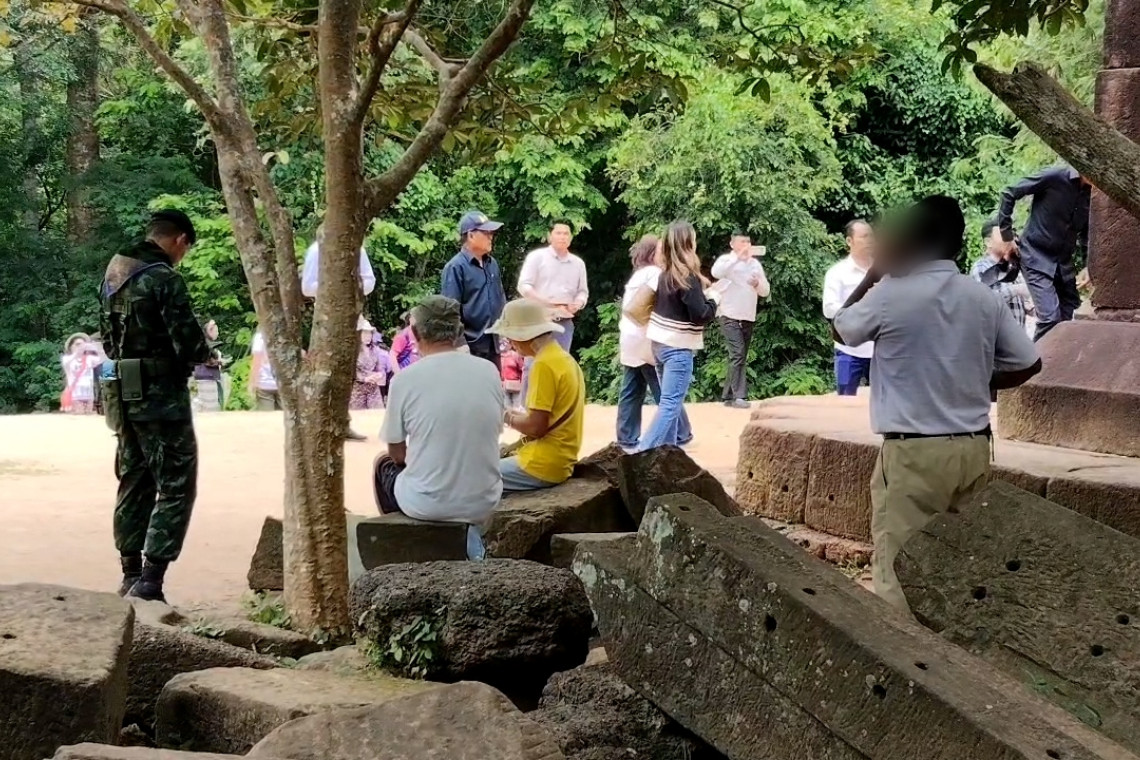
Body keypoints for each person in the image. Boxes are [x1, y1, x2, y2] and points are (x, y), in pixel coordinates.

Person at [831, 195, 1041, 615]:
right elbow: (1028, 363)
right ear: (959, 244)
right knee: (962, 564)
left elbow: (841, 329)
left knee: (898, 570)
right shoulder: (982, 297)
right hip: (973, 448)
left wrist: (876, 271)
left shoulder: (891, 295)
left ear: (909, 242)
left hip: (913, 452)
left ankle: (903, 652)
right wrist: (974, 381)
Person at [99, 209, 214, 602]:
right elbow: (190, 343)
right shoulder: (164, 278)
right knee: (177, 482)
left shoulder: (114, 273)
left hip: (120, 393)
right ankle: (151, 582)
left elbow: (108, 342)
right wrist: (205, 353)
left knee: (134, 479)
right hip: (160, 397)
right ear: (180, 240)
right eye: (185, 249)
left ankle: (129, 573)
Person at [376, 295, 504, 558]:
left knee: (383, 465)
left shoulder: (405, 380)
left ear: (415, 333)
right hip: (485, 501)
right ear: (458, 332)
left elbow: (397, 454)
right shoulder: (490, 371)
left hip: (426, 505)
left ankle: (402, 546)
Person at [639, 221, 719, 451]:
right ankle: (642, 452)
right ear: (688, 243)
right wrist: (715, 299)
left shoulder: (665, 275)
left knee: (669, 404)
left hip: (659, 344)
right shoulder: (687, 277)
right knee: (670, 405)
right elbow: (700, 315)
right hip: (677, 347)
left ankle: (666, 454)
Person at [494, 299, 586, 491]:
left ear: (522, 336)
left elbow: (536, 428)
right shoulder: (563, 358)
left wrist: (505, 416)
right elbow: (547, 417)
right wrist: (510, 413)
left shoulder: (543, 365)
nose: (510, 343)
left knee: (474, 476)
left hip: (542, 464)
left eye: (510, 337)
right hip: (560, 459)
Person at [994, 164, 1090, 341]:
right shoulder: (1055, 176)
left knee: (1070, 318)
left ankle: (1058, 357)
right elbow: (1009, 192)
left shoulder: (1091, 194)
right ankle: (1032, 358)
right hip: (1035, 256)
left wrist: (1087, 266)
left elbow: (1086, 233)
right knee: (1050, 318)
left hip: (1062, 264)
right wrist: (1007, 236)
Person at [616, 235, 693, 452]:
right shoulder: (656, 274)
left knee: (632, 387)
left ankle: (626, 437)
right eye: (661, 250)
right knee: (666, 390)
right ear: (652, 254)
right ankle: (681, 432)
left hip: (630, 336)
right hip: (646, 337)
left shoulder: (639, 274)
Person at [301, 224, 373, 440]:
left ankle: (342, 422)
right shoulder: (316, 250)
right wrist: (335, 287)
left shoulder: (357, 250)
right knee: (325, 372)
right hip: (327, 321)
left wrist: (352, 287)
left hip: (353, 317)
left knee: (348, 372)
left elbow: (370, 280)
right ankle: (320, 424)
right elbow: (307, 287)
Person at [517, 221, 588, 396]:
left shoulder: (578, 263)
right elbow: (524, 286)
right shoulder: (537, 257)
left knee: (560, 364)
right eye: (558, 233)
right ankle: (526, 406)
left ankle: (554, 404)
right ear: (550, 236)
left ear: (571, 238)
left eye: (566, 233)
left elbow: (583, 292)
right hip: (539, 319)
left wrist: (578, 303)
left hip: (564, 321)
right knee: (533, 364)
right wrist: (546, 302)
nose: (562, 237)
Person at [710, 230, 770, 408]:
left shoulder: (755, 265)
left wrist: (757, 284)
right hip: (728, 314)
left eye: (748, 242)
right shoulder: (726, 261)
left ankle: (728, 396)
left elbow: (765, 291)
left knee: (740, 355)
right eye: (742, 242)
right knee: (737, 353)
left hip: (747, 315)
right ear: (732, 244)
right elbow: (716, 272)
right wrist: (737, 258)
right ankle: (739, 396)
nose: (746, 245)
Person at [441, 210, 507, 369]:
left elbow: (500, 298)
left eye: (491, 233)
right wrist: (460, 344)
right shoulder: (455, 267)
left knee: (493, 383)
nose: (491, 237)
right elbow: (450, 312)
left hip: (494, 344)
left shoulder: (492, 264)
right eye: (486, 233)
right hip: (470, 347)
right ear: (470, 235)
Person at [823, 220, 875, 395]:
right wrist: (860, 311)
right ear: (849, 241)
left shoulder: (884, 271)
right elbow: (829, 308)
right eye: (864, 236)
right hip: (847, 350)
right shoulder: (837, 273)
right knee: (845, 400)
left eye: (871, 236)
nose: (869, 240)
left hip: (879, 350)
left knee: (883, 401)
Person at [972, 219, 1032, 329]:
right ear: (988, 242)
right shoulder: (981, 268)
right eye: (1002, 234)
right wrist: (1016, 289)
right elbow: (985, 303)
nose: (1009, 238)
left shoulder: (1012, 268)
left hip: (1017, 336)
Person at [351, 317, 387, 410]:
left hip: (373, 389)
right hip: (358, 391)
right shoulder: (354, 350)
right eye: (365, 333)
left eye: (369, 333)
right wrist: (364, 379)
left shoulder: (374, 350)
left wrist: (379, 375)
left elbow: (379, 368)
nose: (368, 336)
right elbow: (350, 370)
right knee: (358, 416)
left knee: (376, 415)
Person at [61, 333, 100, 414]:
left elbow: (101, 358)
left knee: (88, 416)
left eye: (83, 345)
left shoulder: (90, 359)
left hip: (89, 394)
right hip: (75, 394)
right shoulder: (67, 359)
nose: (81, 347)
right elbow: (68, 361)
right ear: (71, 346)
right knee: (79, 416)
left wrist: (93, 347)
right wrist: (78, 352)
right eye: (77, 344)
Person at [192, 320, 224, 412]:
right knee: (210, 406)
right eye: (215, 331)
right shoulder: (205, 345)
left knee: (206, 403)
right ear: (209, 331)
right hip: (207, 377)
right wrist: (219, 362)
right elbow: (207, 361)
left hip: (206, 376)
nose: (217, 333)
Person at [249, 328, 280, 411]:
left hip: (264, 384)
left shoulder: (260, 337)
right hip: (283, 383)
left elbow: (257, 362)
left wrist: (253, 382)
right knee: (283, 416)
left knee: (267, 416)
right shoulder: (285, 336)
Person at [500, 338, 524, 409]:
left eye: (505, 343)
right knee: (506, 406)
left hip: (515, 384)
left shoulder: (515, 355)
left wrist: (522, 383)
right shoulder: (499, 356)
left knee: (517, 406)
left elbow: (522, 369)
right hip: (503, 384)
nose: (503, 345)